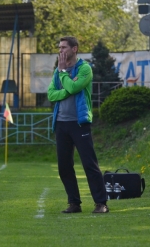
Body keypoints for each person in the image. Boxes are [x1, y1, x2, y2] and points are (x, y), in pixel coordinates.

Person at [47, 36, 108, 213]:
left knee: (89, 164)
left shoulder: (84, 69)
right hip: (61, 123)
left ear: (74, 49)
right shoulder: (57, 71)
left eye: (64, 47)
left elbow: (75, 88)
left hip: (79, 123)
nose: (61, 51)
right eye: (59, 47)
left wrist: (64, 74)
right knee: (64, 166)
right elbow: (51, 95)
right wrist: (66, 89)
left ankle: (101, 203)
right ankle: (74, 203)